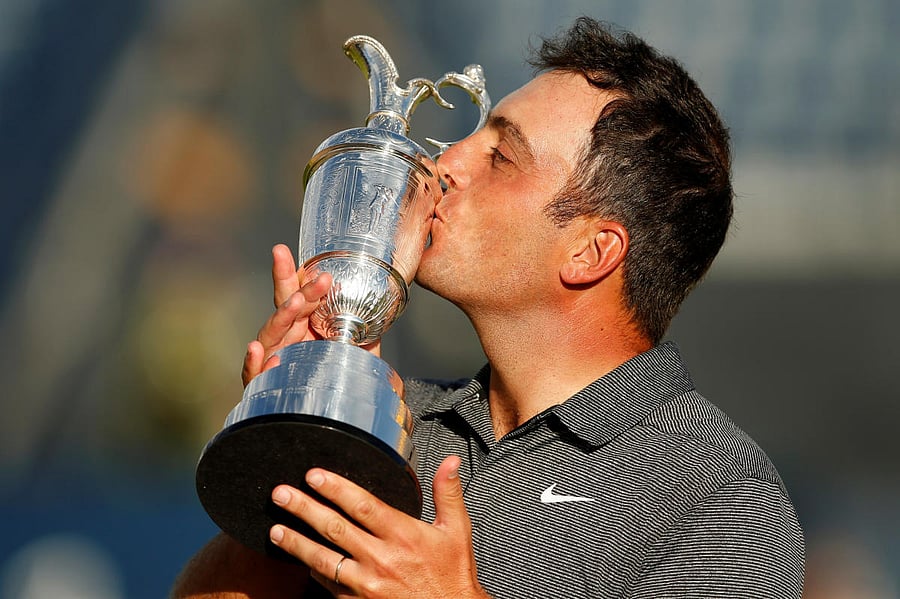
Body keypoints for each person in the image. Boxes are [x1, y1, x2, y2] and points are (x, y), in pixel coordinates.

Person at [173, 17, 805, 598]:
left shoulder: (722, 497)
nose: (445, 164)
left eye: (502, 157)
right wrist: (301, 427)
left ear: (590, 252)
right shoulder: (396, 417)